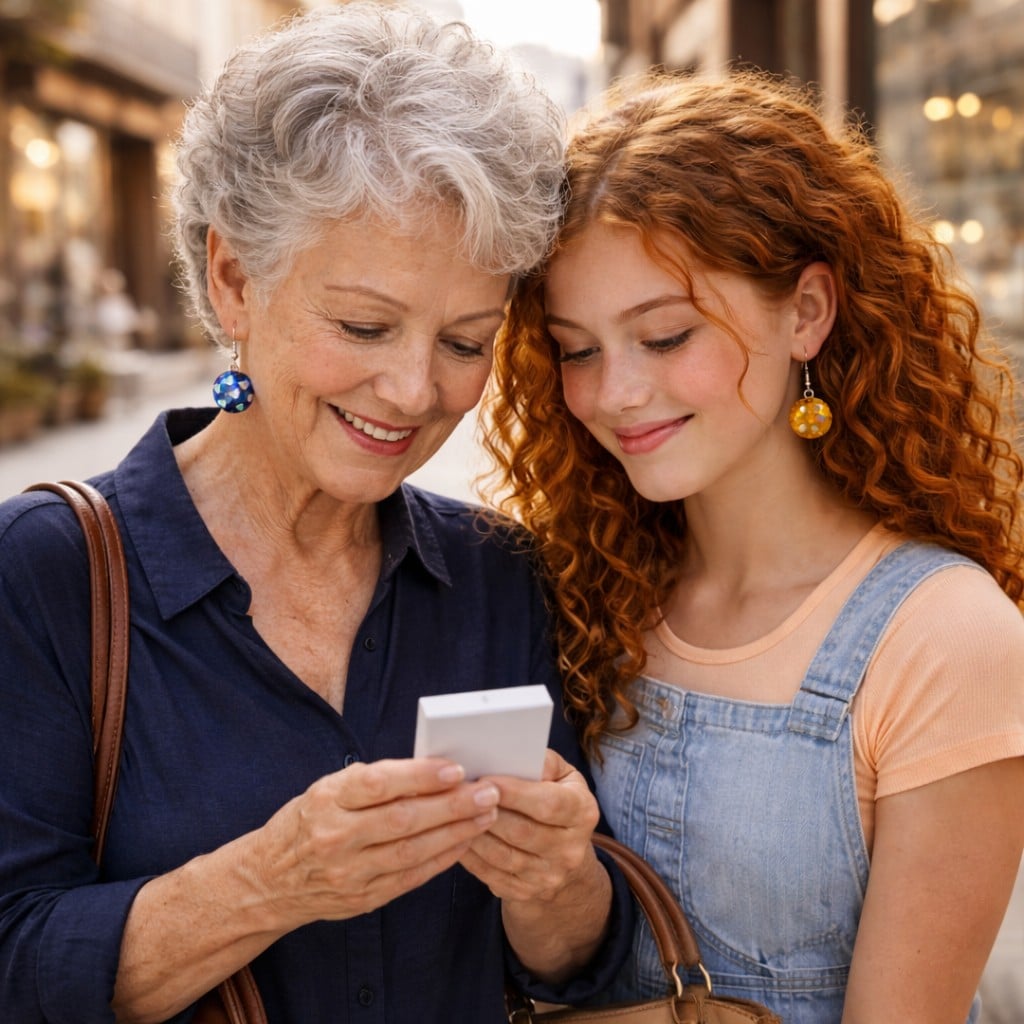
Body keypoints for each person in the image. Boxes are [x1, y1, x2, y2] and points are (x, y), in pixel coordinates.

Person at [0, 5, 634, 1022]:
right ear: (234, 279)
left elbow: (565, 971)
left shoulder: (497, 579)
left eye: (466, 341)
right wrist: (268, 882)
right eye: (364, 325)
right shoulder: (45, 572)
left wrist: (559, 879)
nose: (414, 389)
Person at [484, 69, 1024, 1023]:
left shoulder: (945, 638)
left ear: (806, 311)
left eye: (664, 335)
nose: (615, 393)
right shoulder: (583, 587)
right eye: (577, 348)